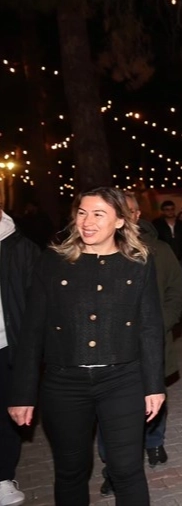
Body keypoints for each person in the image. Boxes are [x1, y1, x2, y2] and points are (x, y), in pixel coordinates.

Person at [8, 187, 165, 506]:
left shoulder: (137, 262)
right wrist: (23, 393)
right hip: (64, 383)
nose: (87, 222)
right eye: (82, 213)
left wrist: (154, 386)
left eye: (98, 214)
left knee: (127, 470)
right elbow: (32, 330)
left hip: (122, 380)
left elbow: (149, 327)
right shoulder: (52, 260)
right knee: (71, 471)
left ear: (120, 221)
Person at [97, 192, 182, 496]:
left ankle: (154, 442)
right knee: (109, 410)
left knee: (153, 393)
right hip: (110, 349)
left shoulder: (159, 250)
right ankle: (113, 468)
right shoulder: (98, 251)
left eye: (130, 210)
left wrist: (161, 324)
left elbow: (176, 290)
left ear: (136, 215)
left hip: (150, 342)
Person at [0, 203, 40, 506]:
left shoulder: (22, 248)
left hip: (6, 345)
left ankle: (2, 476)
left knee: (5, 413)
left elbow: (37, 305)